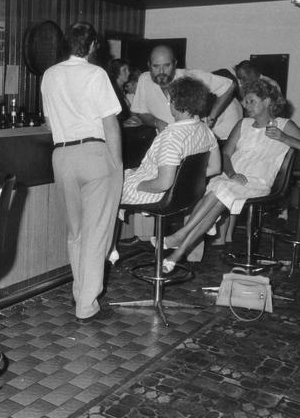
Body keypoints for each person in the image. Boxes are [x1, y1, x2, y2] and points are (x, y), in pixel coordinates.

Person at [159, 79, 300, 272]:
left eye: (250, 101)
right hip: (233, 179)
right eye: (244, 101)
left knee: (220, 190)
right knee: (217, 191)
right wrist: (232, 173)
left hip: (259, 182)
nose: (244, 105)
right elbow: (225, 154)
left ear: (267, 102)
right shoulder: (243, 124)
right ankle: (176, 255)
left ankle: (181, 234)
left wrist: (284, 138)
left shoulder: (285, 125)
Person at [40, 21, 123, 322]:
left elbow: (50, 123)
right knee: (96, 232)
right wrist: (117, 166)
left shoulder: (49, 75)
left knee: (75, 233)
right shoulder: (96, 74)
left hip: (61, 156)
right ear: (91, 47)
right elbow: (110, 124)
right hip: (94, 153)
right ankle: (86, 304)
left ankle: (81, 294)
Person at [121, 77, 220, 206]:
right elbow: (215, 168)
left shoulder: (171, 136)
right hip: (185, 192)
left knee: (107, 188)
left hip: (159, 195)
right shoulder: (205, 130)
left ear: (173, 102)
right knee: (127, 173)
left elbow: (163, 183)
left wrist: (137, 186)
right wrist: (182, 179)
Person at [131, 45, 242, 141]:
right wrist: (156, 122)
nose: (161, 72)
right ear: (149, 65)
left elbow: (229, 85)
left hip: (193, 140)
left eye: (166, 65)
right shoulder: (144, 79)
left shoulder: (190, 76)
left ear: (175, 64)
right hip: (166, 143)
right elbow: (141, 111)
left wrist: (212, 118)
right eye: (156, 66)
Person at [107, 58, 131, 122]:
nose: (128, 73)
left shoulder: (122, 89)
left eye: (128, 69)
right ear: (116, 72)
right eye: (124, 70)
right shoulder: (113, 91)